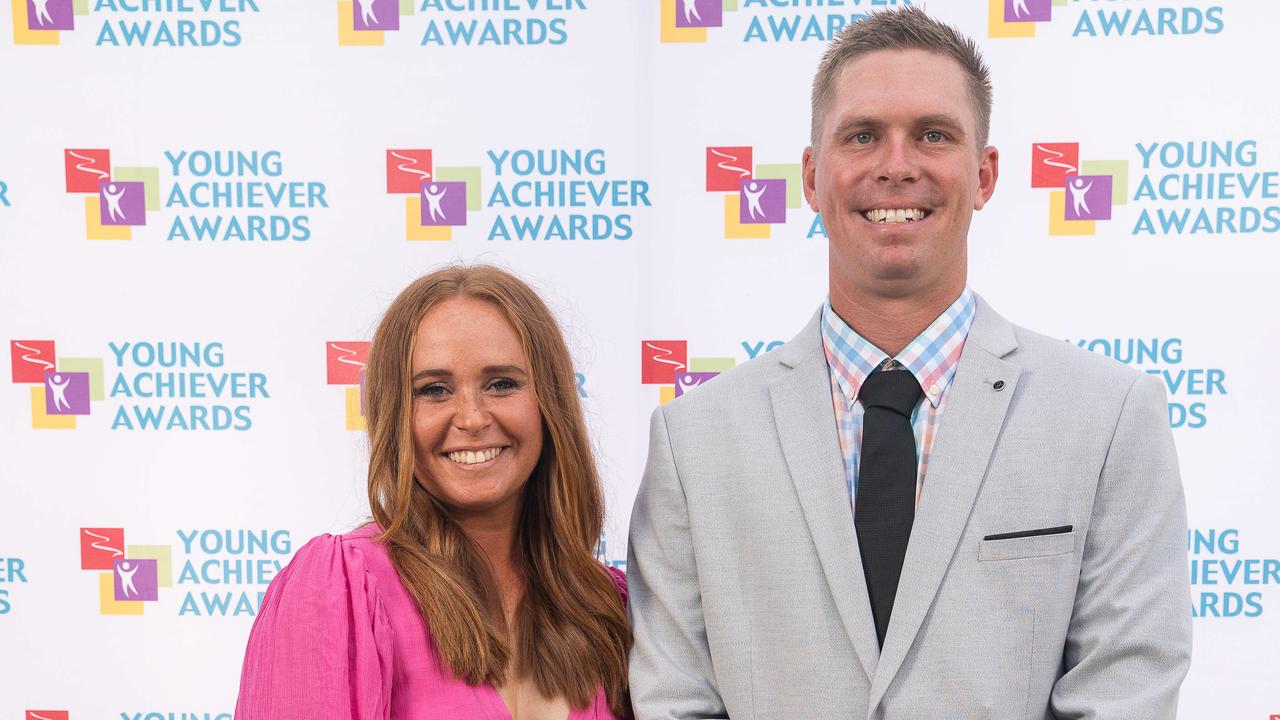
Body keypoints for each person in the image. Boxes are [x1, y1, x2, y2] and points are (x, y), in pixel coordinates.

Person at [627, 7, 1191, 719]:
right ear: (811, 176)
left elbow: (1124, 694)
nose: (897, 166)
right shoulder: (694, 441)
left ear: (984, 175)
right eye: (862, 136)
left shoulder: (1108, 419)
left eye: (933, 134)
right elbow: (675, 700)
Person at [236, 265, 631, 720]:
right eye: (434, 390)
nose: (472, 418)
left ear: (550, 403)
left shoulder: (604, 605)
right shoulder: (341, 589)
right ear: (395, 416)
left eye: (502, 383)